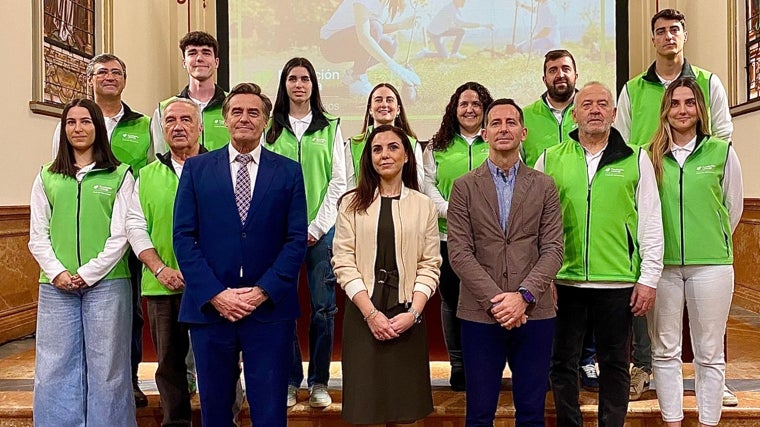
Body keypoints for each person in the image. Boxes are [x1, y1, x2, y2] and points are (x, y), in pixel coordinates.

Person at [613, 8, 734, 403]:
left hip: (705, 242)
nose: (668, 37)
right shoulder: (632, 90)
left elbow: (729, 194)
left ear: (684, 37)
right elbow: (622, 143)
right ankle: (645, 373)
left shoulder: (709, 83)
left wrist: (712, 231)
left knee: (708, 337)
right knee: (657, 334)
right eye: (660, 31)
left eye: (674, 31)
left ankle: (713, 386)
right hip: (655, 223)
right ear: (653, 40)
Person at [173, 83, 307, 427]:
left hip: (269, 311)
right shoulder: (196, 169)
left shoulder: (288, 171)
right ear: (224, 119)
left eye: (253, 112)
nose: (244, 118)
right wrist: (216, 294)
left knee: (270, 412)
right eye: (237, 111)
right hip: (211, 310)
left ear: (265, 121)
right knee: (215, 412)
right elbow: (183, 238)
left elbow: (295, 241)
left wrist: (262, 291)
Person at [535, 82, 663, 427]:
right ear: (574, 114)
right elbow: (535, 223)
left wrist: (648, 278)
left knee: (615, 364)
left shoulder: (637, 158)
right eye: (587, 104)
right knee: (562, 363)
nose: (594, 109)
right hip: (564, 281)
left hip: (618, 282)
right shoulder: (550, 157)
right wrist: (540, 277)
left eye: (602, 104)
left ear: (614, 113)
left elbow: (651, 221)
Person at [447, 98, 564, 426]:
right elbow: (459, 252)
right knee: (480, 413)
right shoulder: (463, 187)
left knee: (531, 413)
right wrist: (500, 302)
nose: (503, 129)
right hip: (481, 315)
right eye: (495, 123)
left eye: (510, 122)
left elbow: (553, 248)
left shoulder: (545, 185)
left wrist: (523, 297)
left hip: (535, 312)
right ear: (484, 133)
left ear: (523, 132)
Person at [50, 53, 152, 406]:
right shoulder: (71, 122)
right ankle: (81, 388)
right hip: (81, 239)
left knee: (131, 314)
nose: (109, 77)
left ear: (125, 79)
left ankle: (129, 379)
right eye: (102, 72)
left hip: (130, 227)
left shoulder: (143, 123)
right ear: (89, 79)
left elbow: (152, 171)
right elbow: (59, 175)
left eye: (116, 72)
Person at [29, 98, 136, 425]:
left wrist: (89, 273)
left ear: (98, 128)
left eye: (86, 121)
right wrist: (58, 272)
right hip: (56, 286)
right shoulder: (47, 176)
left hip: (107, 284)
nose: (78, 128)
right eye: (71, 122)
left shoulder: (120, 175)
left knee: (109, 369)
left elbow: (122, 234)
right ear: (63, 129)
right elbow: (38, 233)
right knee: (54, 367)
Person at [647, 77, 743, 427]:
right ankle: (672, 421)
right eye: (675, 103)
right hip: (662, 267)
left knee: (709, 352)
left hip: (712, 266)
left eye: (689, 103)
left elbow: (732, 207)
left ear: (700, 109)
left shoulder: (721, 151)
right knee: (665, 350)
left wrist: (711, 239)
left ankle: (707, 422)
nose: (682, 110)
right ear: (665, 110)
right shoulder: (650, 155)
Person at [332, 124, 441, 425]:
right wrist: (371, 315)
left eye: (393, 147)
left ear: (407, 155)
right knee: (366, 412)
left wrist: (414, 313)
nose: (384, 155)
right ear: (369, 158)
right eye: (377, 149)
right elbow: (343, 261)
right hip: (364, 315)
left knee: (406, 412)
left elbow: (429, 265)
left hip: (407, 316)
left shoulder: (424, 206)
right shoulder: (351, 204)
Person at [263, 57, 346, 408]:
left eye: (305, 79)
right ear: (284, 84)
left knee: (323, 309)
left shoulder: (330, 127)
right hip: (279, 234)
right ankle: (289, 380)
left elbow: (340, 181)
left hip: (321, 232)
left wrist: (316, 226)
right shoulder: (270, 129)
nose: (299, 84)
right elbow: (261, 180)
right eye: (292, 78)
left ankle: (319, 382)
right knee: (282, 306)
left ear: (314, 84)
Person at [127, 98, 208, 426]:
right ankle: (176, 422)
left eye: (187, 119)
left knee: (219, 360)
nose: (178, 126)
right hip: (162, 284)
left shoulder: (219, 168)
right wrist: (159, 268)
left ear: (200, 126)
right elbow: (134, 226)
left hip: (212, 286)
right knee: (169, 364)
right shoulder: (146, 175)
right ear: (162, 129)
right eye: (171, 120)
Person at [423, 81, 493, 391]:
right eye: (464, 104)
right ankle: (459, 364)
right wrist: (456, 211)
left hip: (489, 239)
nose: (470, 109)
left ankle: (485, 363)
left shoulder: (494, 142)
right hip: (447, 237)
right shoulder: (437, 146)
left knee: (485, 300)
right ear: (454, 108)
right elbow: (428, 186)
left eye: (476, 104)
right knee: (451, 302)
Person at [320, 0, 421, 96]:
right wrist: (395, 67)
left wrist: (401, 25)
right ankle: (358, 78)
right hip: (331, 46)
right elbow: (365, 36)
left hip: (347, 40)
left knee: (389, 45)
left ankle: (352, 75)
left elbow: (374, 28)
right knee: (375, 27)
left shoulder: (380, 2)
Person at [152, 31, 230, 154]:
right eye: (192, 53)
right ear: (184, 62)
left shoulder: (233, 105)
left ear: (216, 62)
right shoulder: (164, 109)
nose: (199, 58)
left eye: (206, 53)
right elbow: (159, 157)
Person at [346, 82, 423, 189]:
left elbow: (418, 185)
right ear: (370, 110)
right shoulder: (353, 144)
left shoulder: (412, 144)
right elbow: (349, 187)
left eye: (389, 100)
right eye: (378, 100)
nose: (384, 105)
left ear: (398, 110)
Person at [521, 49, 579, 168]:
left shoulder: (591, 114)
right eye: (553, 70)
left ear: (576, 76)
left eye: (566, 69)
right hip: (538, 187)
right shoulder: (525, 116)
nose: (560, 75)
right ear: (544, 79)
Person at [418, 0, 485, 59]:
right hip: (435, 33)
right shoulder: (451, 9)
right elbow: (463, 24)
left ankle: (454, 53)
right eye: (463, 1)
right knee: (445, 56)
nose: (464, 3)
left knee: (461, 31)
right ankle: (425, 53)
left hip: (443, 30)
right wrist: (482, 25)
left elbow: (460, 23)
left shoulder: (456, 8)